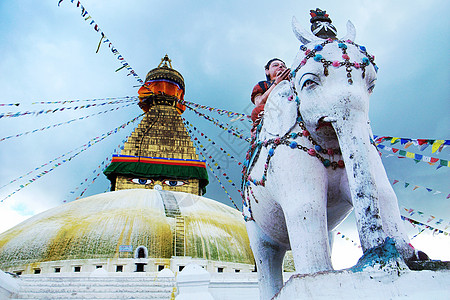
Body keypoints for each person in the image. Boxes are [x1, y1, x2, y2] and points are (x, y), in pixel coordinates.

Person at [250, 58, 291, 123]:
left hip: (290, 104)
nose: (281, 67)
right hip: (273, 109)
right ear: (267, 71)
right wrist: (276, 83)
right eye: (275, 65)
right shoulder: (263, 84)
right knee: (257, 111)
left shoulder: (292, 82)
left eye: (283, 66)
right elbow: (259, 103)